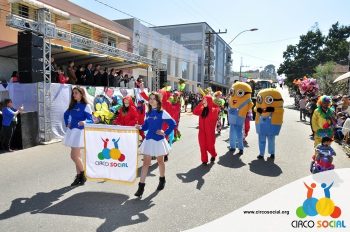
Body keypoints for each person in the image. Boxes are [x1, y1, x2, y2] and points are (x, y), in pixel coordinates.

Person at [134, 92, 176, 197]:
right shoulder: (148, 113)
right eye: (150, 98)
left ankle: (162, 179)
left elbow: (173, 124)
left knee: (160, 161)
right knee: (145, 164)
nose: (151, 100)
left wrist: (165, 133)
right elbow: (146, 127)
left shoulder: (162, 112)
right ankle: (141, 187)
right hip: (149, 140)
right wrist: (140, 127)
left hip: (158, 140)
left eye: (154, 98)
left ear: (158, 101)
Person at [63, 87, 93, 186]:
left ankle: (83, 175)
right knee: (77, 156)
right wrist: (67, 122)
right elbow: (65, 114)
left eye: (76, 93)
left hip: (79, 132)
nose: (74, 95)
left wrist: (84, 122)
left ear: (81, 94)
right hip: (72, 132)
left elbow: (91, 120)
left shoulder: (86, 106)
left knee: (74, 156)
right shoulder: (73, 105)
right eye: (73, 93)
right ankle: (79, 176)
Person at [193, 95, 219, 165]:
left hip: (210, 132)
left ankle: (213, 154)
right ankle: (204, 160)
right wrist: (200, 104)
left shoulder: (214, 110)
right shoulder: (202, 109)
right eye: (203, 100)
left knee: (210, 146)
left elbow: (215, 112)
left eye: (205, 100)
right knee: (202, 145)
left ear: (209, 101)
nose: (203, 102)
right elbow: (194, 112)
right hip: (201, 131)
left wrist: (208, 105)